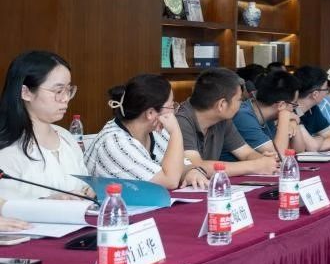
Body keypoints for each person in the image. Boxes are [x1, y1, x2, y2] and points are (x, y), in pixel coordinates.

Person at [84, 74, 208, 189]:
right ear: (150, 113)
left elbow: (182, 164)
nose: (175, 111)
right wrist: (176, 132)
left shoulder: (155, 130)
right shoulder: (114, 143)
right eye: (171, 106)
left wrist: (192, 171)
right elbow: (170, 181)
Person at [0, 51, 93, 201]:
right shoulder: (7, 148)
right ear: (26, 92)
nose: (65, 98)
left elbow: (84, 185)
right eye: (58, 91)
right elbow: (5, 206)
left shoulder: (66, 136)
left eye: (68, 90)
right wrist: (48, 203)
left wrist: (89, 191)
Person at [176, 68, 277, 178]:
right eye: (239, 100)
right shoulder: (181, 121)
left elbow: (246, 153)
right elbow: (195, 166)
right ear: (222, 105)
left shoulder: (222, 120)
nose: (241, 104)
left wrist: (263, 161)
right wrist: (255, 166)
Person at [227, 70, 312, 158]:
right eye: (294, 105)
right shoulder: (242, 116)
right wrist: (285, 116)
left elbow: (299, 151)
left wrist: (293, 122)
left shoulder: (268, 115)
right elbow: (279, 155)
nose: (293, 110)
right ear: (281, 105)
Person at [292, 66, 330, 151]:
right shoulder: (291, 110)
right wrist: (319, 139)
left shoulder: (313, 109)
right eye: (326, 89)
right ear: (315, 94)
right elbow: (311, 147)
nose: (327, 93)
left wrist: (315, 143)